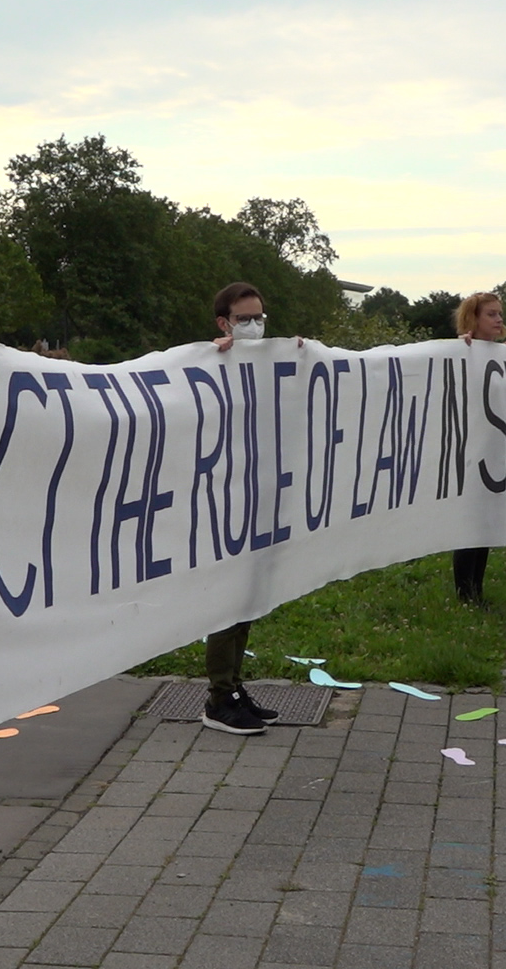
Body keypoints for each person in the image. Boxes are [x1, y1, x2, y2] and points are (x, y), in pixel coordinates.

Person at [198, 281, 284, 735]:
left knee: (246, 598)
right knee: (227, 602)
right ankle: (218, 697)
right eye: (245, 319)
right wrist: (216, 354)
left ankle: (233, 685)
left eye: (259, 318)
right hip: (224, 500)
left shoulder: (269, 360)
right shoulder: (212, 359)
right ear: (224, 323)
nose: (254, 327)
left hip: (258, 495)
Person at [451, 292, 506, 602]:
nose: (499, 319)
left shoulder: (505, 355)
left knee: (485, 523)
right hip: (468, 449)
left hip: (494, 450)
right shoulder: (460, 352)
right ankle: (465, 592)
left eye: (500, 314)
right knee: (469, 523)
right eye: (491, 314)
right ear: (473, 318)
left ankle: (478, 588)